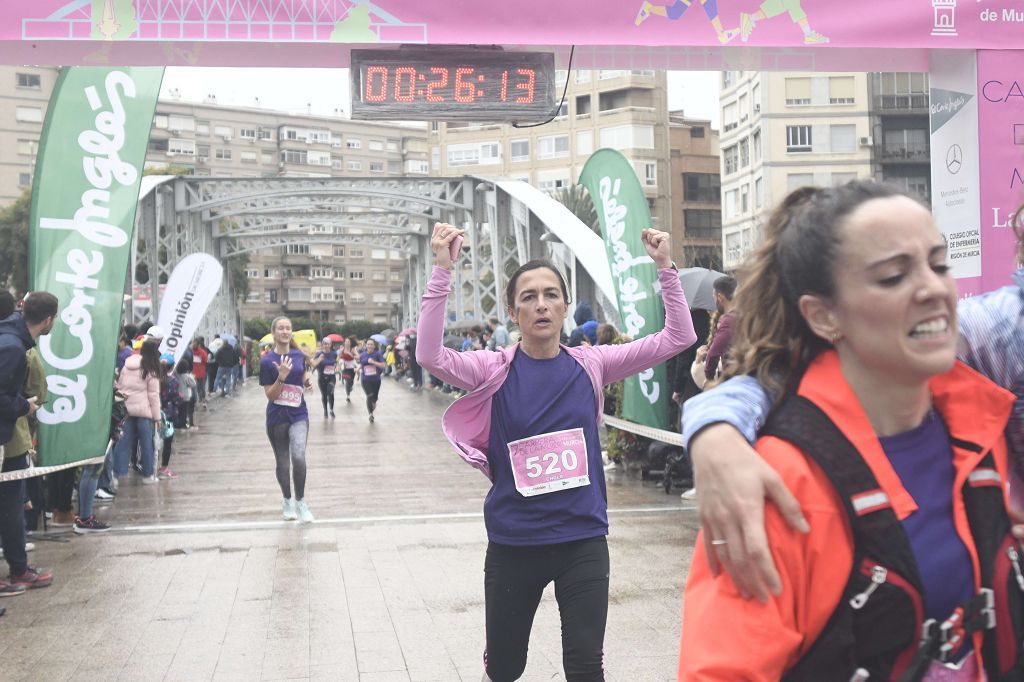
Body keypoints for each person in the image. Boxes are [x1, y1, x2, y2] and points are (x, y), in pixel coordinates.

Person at [678, 182, 1023, 679]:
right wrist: (712, 427)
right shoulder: (774, 482)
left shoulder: (979, 427)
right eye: (893, 276)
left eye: (939, 264)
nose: (933, 288)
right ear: (824, 316)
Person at [417, 221, 695, 681]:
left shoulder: (592, 363)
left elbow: (678, 338)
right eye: (528, 297)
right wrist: (441, 271)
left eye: (550, 294)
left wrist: (665, 267)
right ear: (512, 311)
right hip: (514, 543)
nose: (541, 304)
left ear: (565, 306)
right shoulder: (492, 369)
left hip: (581, 540)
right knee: (506, 668)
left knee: (585, 667)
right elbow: (430, 355)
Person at [0, 292, 58, 594]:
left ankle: (19, 568)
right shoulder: (12, 347)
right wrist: (25, 407)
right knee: (10, 506)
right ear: (48, 320)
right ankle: (18, 571)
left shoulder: (11, 338)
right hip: (7, 439)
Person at [259, 317, 314, 523]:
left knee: (298, 457)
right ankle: (287, 500)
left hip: (299, 414)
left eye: (288, 328)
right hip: (277, 417)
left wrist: (306, 380)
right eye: (280, 328)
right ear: (274, 333)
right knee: (283, 462)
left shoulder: (298, 355)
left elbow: (302, 371)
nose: (285, 331)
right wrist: (281, 377)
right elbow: (271, 395)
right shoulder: (266, 361)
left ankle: (301, 501)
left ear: (291, 332)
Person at [112, 338, 162, 485]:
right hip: (144, 412)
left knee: (123, 444)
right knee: (147, 444)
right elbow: (153, 396)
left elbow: (120, 387)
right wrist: (157, 417)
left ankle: (117, 474)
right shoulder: (151, 369)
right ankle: (148, 476)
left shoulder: (127, 367)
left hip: (127, 410)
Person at [157, 353, 181, 479]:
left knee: (153, 442)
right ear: (172, 367)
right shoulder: (173, 381)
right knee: (167, 442)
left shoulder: (153, 379)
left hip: (154, 414)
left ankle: (150, 467)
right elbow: (177, 399)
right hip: (168, 416)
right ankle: (164, 468)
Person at [359, 339, 386, 423]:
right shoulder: (362, 355)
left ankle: (373, 403)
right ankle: (370, 414)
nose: (370, 346)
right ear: (366, 346)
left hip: (376, 380)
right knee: (369, 396)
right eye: (368, 344)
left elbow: (383, 365)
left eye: (371, 344)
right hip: (365, 379)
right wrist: (357, 368)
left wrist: (374, 362)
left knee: (374, 398)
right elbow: (362, 364)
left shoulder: (378, 354)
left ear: (374, 346)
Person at [311, 338, 338, 418]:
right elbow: (313, 363)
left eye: (327, 344)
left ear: (330, 345)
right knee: (324, 395)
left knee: (330, 392)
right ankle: (325, 410)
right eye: (324, 344)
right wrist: (319, 359)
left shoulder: (334, 353)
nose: (326, 346)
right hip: (322, 378)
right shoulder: (319, 354)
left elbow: (335, 362)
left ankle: (331, 410)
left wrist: (336, 367)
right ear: (322, 345)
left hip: (331, 377)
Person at [191, 338, 209, 408]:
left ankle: (196, 402)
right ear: (199, 345)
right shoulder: (203, 352)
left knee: (195, 388)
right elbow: (205, 362)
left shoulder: (191, 352)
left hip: (192, 373)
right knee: (202, 387)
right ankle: (203, 401)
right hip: (201, 372)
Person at [339, 337, 357, 403]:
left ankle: (350, 387)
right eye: (346, 342)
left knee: (351, 382)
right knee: (347, 381)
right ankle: (348, 396)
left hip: (352, 368)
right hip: (345, 368)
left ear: (350, 343)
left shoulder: (353, 349)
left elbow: (358, 357)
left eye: (348, 342)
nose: (347, 343)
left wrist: (351, 354)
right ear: (344, 343)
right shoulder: (342, 349)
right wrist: (340, 364)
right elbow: (339, 357)